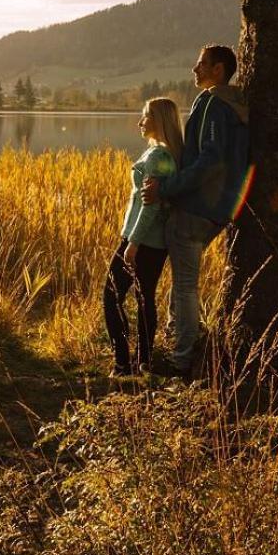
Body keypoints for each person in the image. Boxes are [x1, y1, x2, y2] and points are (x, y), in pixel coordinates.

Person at [143, 44, 249, 378]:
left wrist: (168, 188)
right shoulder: (235, 106)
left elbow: (210, 159)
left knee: (185, 285)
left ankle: (181, 359)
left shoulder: (215, 104)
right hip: (218, 210)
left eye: (201, 63)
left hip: (196, 208)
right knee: (183, 283)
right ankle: (181, 344)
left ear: (218, 70)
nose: (194, 68)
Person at [102, 97, 183, 377]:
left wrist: (132, 243)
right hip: (152, 243)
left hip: (143, 241)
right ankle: (142, 363)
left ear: (159, 120)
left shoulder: (160, 157)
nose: (140, 121)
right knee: (144, 297)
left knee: (111, 297)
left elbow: (150, 205)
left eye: (145, 116)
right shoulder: (163, 153)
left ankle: (124, 365)